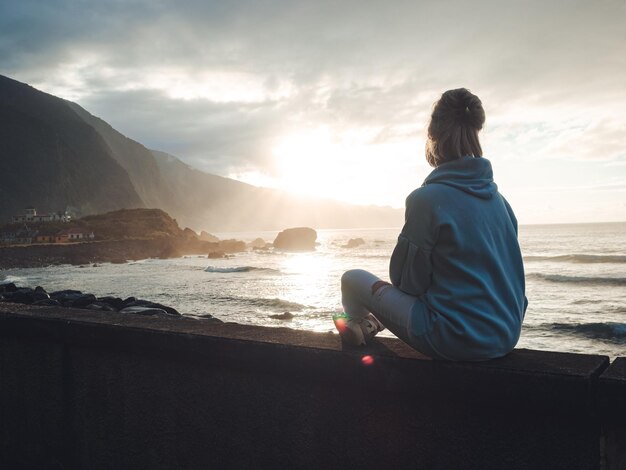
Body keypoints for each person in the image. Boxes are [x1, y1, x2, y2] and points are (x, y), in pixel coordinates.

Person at [335, 88, 528, 361]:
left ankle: (358, 326)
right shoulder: (501, 203)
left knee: (352, 279)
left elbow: (406, 283)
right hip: (506, 335)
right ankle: (372, 323)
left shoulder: (426, 200)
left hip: (456, 339)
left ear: (433, 136)